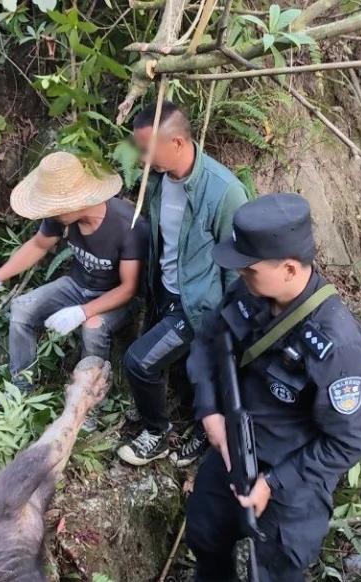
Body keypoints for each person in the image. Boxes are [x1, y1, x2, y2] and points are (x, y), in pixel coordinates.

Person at [184, 193, 361, 581]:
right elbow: (208, 340)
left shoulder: (338, 345)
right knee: (205, 536)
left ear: (288, 269)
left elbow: (346, 443)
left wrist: (273, 483)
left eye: (250, 268)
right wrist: (209, 411)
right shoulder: (249, 293)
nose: (241, 275)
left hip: (290, 486)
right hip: (232, 452)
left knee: (268, 573)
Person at [0, 152, 148, 419]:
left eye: (56, 207)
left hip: (117, 296)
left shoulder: (127, 225)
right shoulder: (61, 216)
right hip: (77, 283)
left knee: (93, 328)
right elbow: (39, 245)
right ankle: (20, 390)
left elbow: (129, 288)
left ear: (80, 200)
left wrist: (82, 312)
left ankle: (87, 410)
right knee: (22, 308)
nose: (51, 212)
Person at [117, 101, 248, 467]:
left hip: (199, 307)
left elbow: (237, 265)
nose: (141, 158)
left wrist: (230, 320)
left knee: (139, 362)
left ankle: (157, 432)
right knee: (188, 370)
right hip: (164, 291)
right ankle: (192, 424)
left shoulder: (224, 192)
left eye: (147, 149)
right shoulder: (157, 181)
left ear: (176, 143)